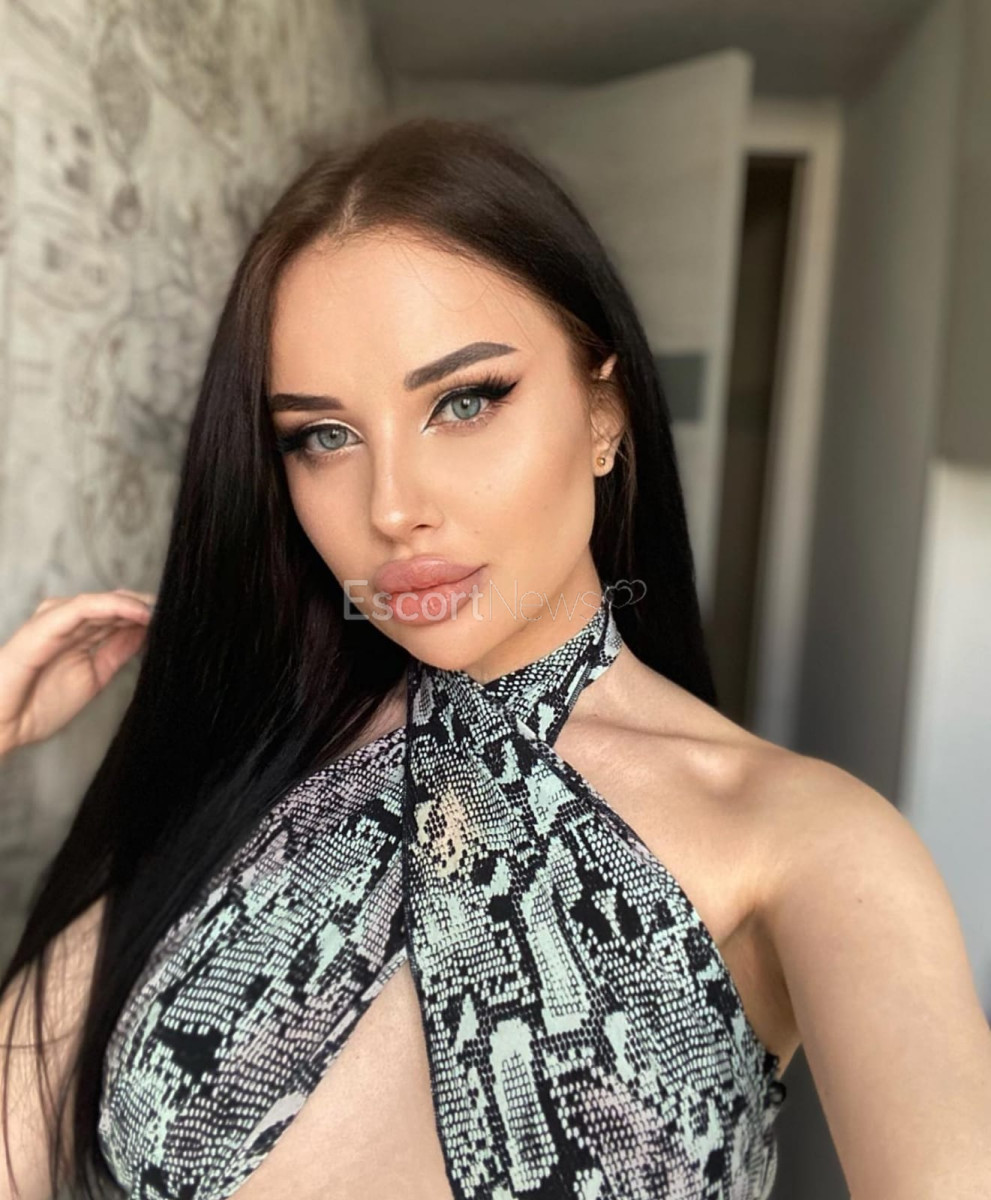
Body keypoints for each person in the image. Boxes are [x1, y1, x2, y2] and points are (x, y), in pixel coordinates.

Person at [1, 117, 989, 1200]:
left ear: (603, 410)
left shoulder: (804, 844)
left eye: (464, 402)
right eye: (323, 436)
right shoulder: (248, 762)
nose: (391, 508)